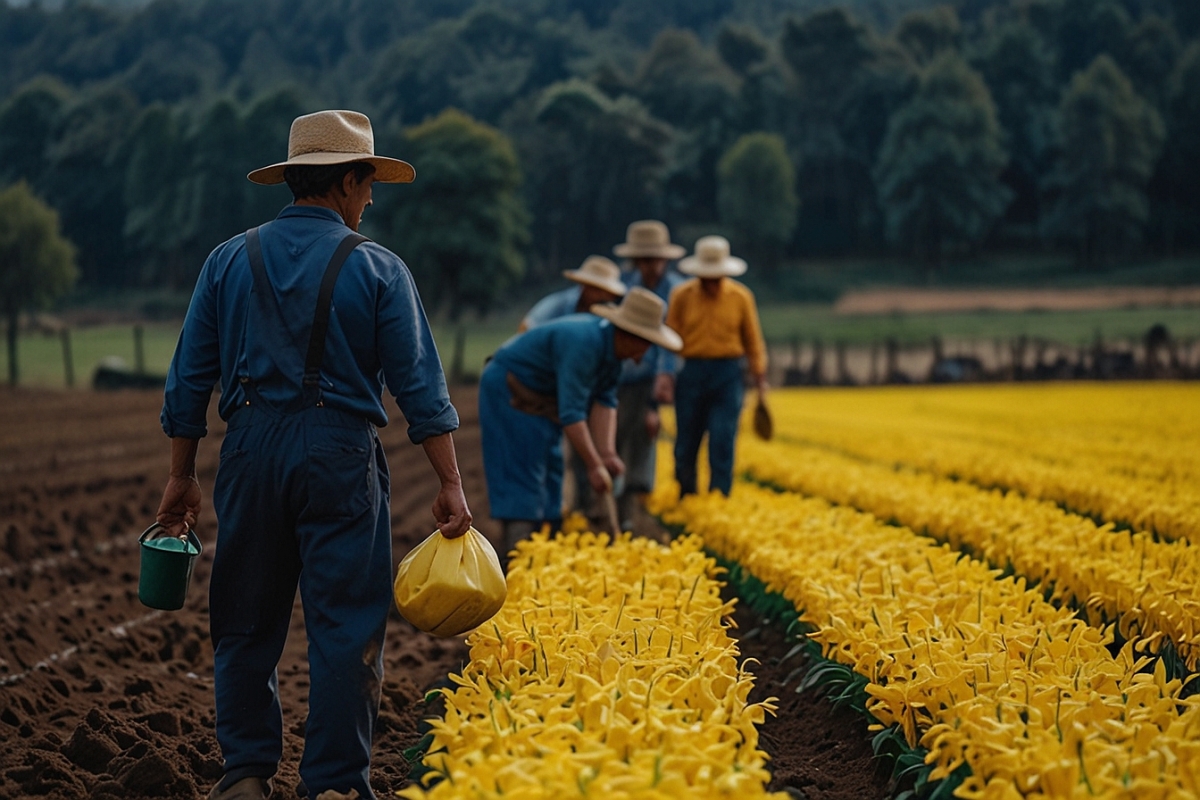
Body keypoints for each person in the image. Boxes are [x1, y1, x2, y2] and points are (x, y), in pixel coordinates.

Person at [156, 110, 472, 800]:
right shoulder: (380, 268)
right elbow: (421, 388)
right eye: (368, 184)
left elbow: (188, 381)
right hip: (340, 454)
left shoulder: (226, 260)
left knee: (244, 616)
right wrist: (450, 484)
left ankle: (245, 773)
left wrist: (181, 477)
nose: (370, 199)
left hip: (250, 450)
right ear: (347, 181)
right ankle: (331, 783)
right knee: (345, 624)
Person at [479, 287, 682, 557]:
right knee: (524, 469)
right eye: (646, 344)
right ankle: (518, 556)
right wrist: (593, 465)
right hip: (510, 388)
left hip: (542, 397)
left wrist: (607, 455)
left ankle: (546, 552)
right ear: (630, 335)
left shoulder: (614, 355)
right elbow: (572, 413)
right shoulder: (584, 344)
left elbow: (605, 402)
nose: (644, 355)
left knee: (551, 469)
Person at [666, 235, 768, 497]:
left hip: (728, 373)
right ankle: (686, 494)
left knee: (723, 438)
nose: (711, 281)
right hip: (692, 371)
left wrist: (760, 378)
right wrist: (665, 374)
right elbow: (667, 337)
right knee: (687, 439)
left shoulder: (741, 297)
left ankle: (719, 496)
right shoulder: (681, 296)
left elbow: (753, 341)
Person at [610, 220, 687, 527]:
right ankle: (610, 505)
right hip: (621, 376)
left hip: (655, 377)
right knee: (613, 438)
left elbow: (673, 339)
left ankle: (632, 505)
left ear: (665, 259)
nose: (651, 266)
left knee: (644, 435)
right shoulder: (623, 286)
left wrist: (662, 382)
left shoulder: (678, 290)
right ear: (635, 260)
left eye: (655, 259)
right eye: (644, 260)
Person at [518, 255, 627, 331]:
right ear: (585, 287)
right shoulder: (557, 305)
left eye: (609, 293)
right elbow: (527, 327)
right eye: (600, 291)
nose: (607, 297)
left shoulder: (609, 314)